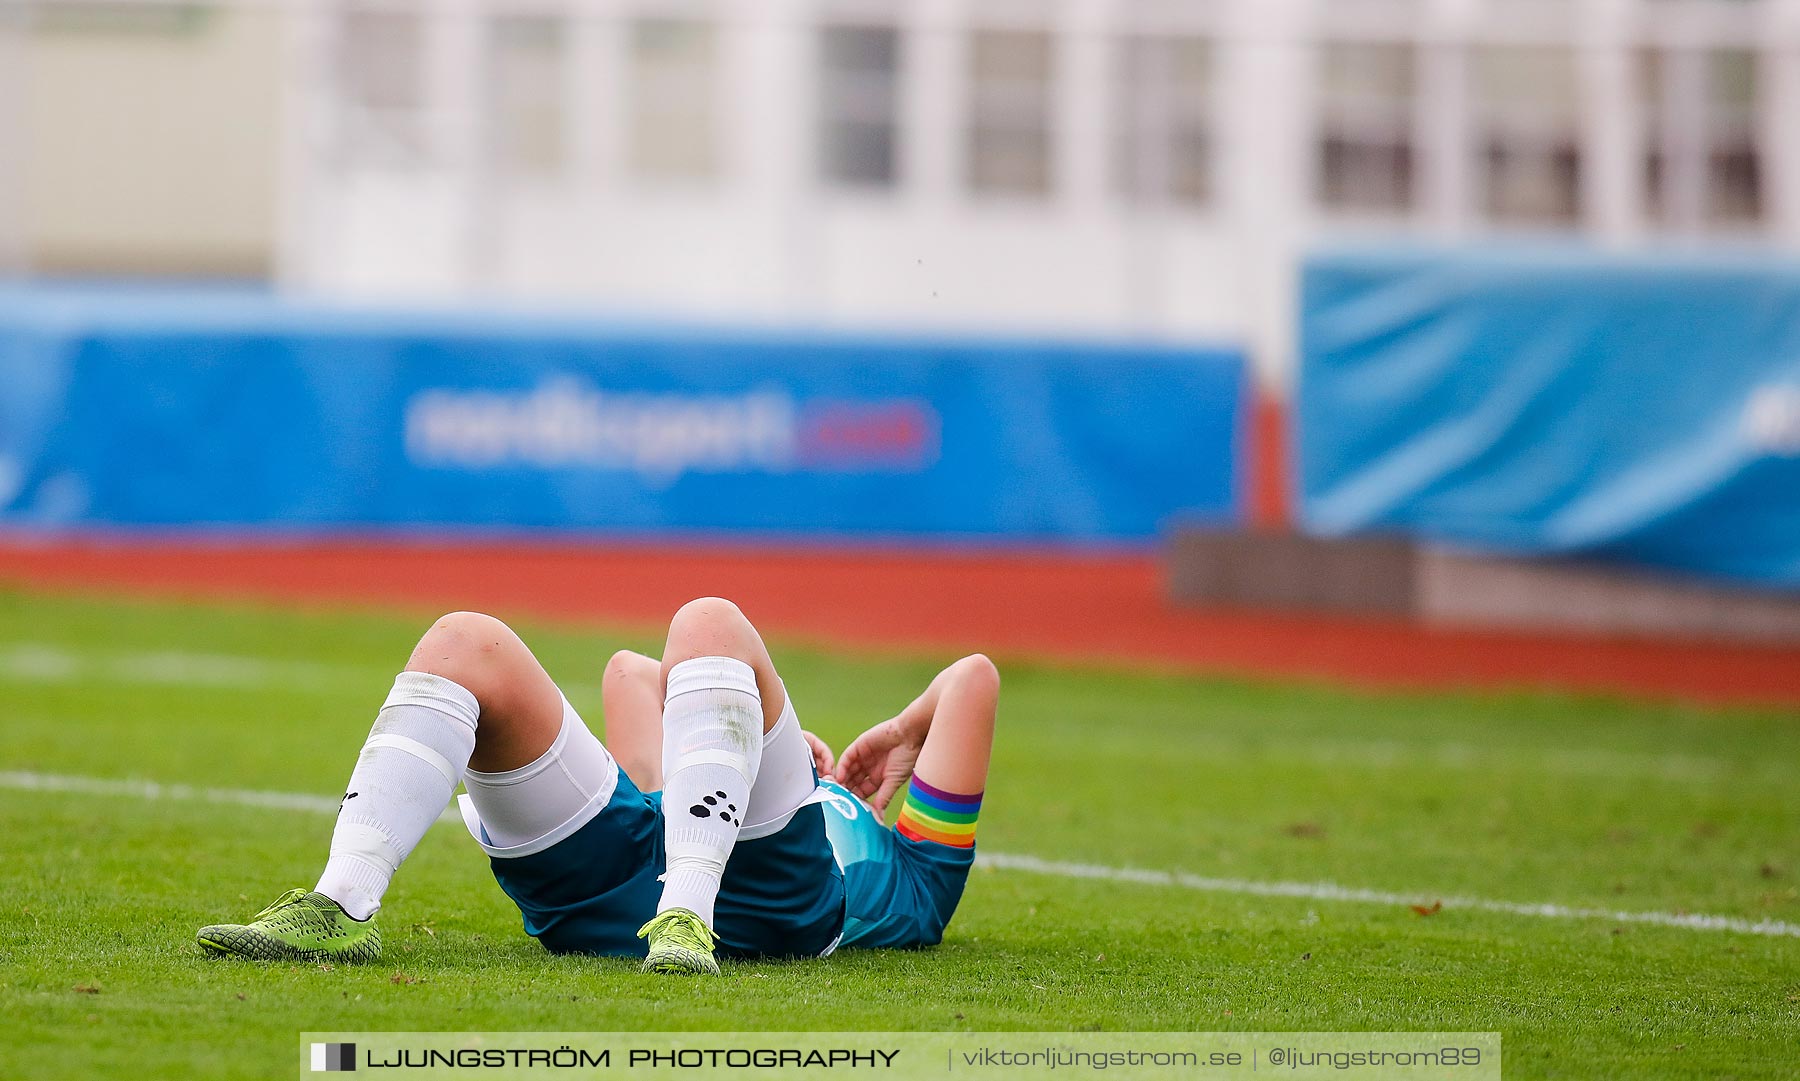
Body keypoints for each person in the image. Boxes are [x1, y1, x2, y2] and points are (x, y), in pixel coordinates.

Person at [196, 598, 999, 974]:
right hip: (627, 883)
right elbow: (628, 673)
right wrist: (741, 724)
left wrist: (900, 733)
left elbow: (974, 678)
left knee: (710, 621)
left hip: (777, 906)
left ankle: (689, 913)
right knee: (464, 639)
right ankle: (340, 904)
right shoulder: (703, 783)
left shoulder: (921, 880)